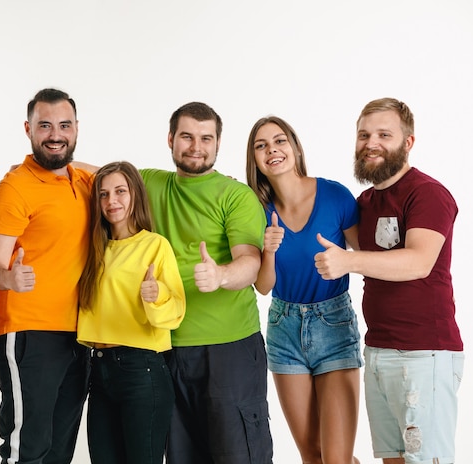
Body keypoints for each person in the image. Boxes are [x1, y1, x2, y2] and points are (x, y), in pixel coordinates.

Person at [314, 98, 464, 464]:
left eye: (384, 134)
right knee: (394, 459)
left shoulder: (427, 193)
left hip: (423, 352)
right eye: (364, 135)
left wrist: (347, 261)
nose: (371, 143)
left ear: (408, 142)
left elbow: (419, 262)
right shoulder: (364, 202)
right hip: (378, 351)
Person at [140, 102, 274, 463]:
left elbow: (250, 260)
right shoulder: (151, 183)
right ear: (170, 139)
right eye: (186, 136)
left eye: (205, 138)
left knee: (239, 455)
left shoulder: (236, 196)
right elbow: (103, 178)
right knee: (182, 456)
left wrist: (221, 275)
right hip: (168, 348)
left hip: (229, 348)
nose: (196, 146)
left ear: (217, 144)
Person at [0, 88, 92, 464]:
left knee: (59, 452)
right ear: (28, 129)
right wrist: (9, 279)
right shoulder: (14, 189)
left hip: (78, 335)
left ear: (77, 129)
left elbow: (119, 174)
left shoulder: (82, 182)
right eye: (45, 125)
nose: (55, 134)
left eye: (64, 125)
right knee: (26, 451)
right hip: (28, 333)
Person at [245, 116, 363, 464]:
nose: (272, 150)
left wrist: (342, 259)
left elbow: (361, 256)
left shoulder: (335, 195)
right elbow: (263, 287)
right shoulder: (256, 210)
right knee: (312, 456)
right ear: (255, 159)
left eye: (279, 141)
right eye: (261, 145)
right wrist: (268, 249)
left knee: (337, 459)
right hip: (284, 328)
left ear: (295, 147)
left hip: (334, 324)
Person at [77, 161, 186, 464]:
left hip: (142, 370)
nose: (112, 201)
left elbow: (176, 307)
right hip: (98, 370)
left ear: (136, 194)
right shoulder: (94, 248)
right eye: (104, 194)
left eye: (120, 191)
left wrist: (156, 294)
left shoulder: (154, 245)